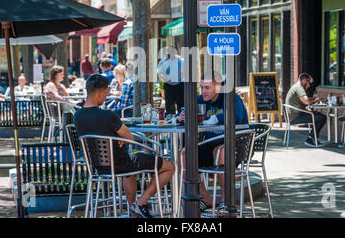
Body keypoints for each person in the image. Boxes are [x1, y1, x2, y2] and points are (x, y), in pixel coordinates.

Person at [74, 74, 175, 218]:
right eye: (107, 91)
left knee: (129, 172)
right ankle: (141, 203)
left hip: (97, 166)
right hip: (122, 163)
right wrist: (124, 139)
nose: (107, 94)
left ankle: (133, 210)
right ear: (102, 92)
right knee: (169, 167)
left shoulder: (77, 116)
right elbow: (128, 136)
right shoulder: (108, 115)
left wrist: (122, 138)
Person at [180, 71, 249, 213]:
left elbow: (235, 115)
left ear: (218, 86)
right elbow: (183, 112)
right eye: (201, 87)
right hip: (210, 145)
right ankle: (206, 198)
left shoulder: (230, 97)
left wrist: (215, 119)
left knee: (221, 151)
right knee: (184, 155)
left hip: (236, 147)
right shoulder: (201, 100)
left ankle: (225, 201)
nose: (203, 91)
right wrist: (182, 115)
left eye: (206, 88)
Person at [286, 73, 327, 148]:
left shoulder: (296, 87)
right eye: (308, 83)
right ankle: (310, 139)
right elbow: (306, 101)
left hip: (293, 115)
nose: (308, 86)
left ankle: (312, 138)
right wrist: (315, 98)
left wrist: (307, 107)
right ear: (304, 80)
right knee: (322, 118)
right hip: (295, 116)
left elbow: (302, 103)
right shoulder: (299, 88)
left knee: (317, 115)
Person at [157, 47, 185, 114]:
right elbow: (159, 73)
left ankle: (181, 118)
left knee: (181, 104)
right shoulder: (163, 61)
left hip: (179, 84)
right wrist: (165, 78)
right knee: (169, 105)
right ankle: (170, 117)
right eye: (169, 53)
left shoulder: (180, 60)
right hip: (168, 85)